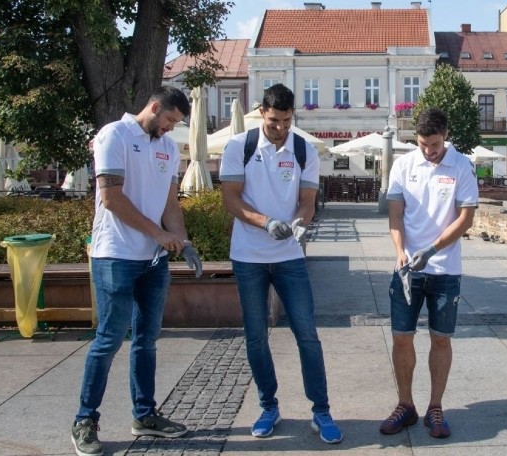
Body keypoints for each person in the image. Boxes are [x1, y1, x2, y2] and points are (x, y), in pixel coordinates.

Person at [73, 86, 203, 456]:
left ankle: (144, 416)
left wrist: (181, 239)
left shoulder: (167, 147)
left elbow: (170, 202)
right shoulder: (114, 134)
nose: (170, 129)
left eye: (177, 124)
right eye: (169, 120)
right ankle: (85, 420)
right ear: (154, 106)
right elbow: (112, 199)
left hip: (154, 261)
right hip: (115, 255)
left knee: (146, 340)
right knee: (109, 340)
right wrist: (159, 234)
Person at [220, 84, 342, 444]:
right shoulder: (238, 147)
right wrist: (265, 222)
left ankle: (321, 410)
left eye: (287, 121)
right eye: (274, 121)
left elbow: (307, 201)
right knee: (256, 335)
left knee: (307, 333)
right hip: (248, 256)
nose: (280, 128)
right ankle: (268, 406)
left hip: (289, 256)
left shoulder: (303, 149)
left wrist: (300, 224)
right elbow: (230, 199)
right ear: (262, 113)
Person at [380, 107, 478, 439]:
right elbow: (395, 215)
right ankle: (405, 404)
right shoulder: (404, 165)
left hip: (445, 269)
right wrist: (401, 253)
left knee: (440, 338)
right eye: (422, 143)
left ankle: (435, 407)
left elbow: (466, 219)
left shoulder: (462, 165)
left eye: (434, 144)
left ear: (445, 136)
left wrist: (433, 249)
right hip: (407, 268)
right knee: (401, 337)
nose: (428, 150)